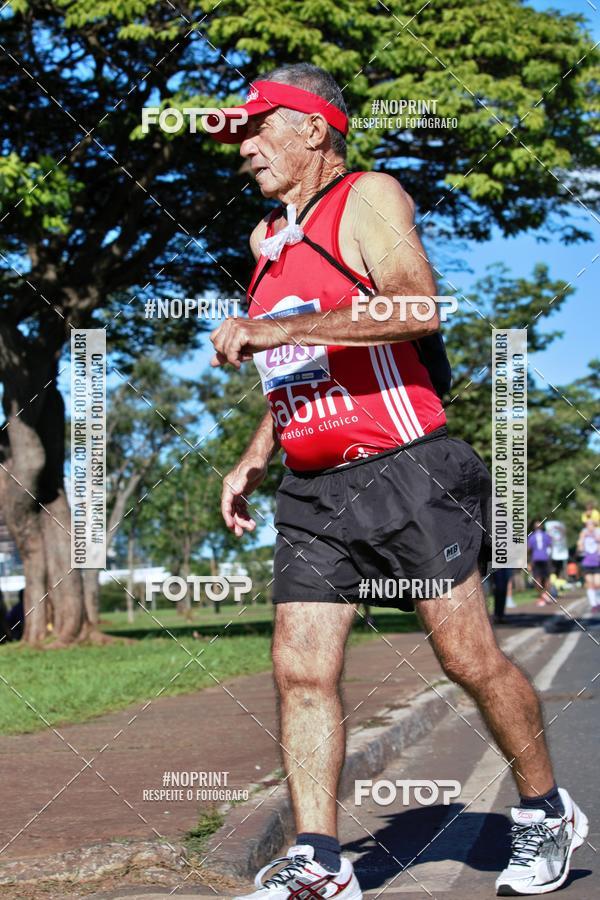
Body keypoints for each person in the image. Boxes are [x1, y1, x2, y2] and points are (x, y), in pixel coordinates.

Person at [208, 64, 588, 898]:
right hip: (312, 491)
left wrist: (273, 327)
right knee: (300, 669)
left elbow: (415, 308)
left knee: (467, 658)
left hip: (410, 470)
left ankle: (542, 808)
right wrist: (255, 454)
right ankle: (319, 856)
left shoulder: (369, 197)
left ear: (314, 129)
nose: (243, 148)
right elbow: (299, 364)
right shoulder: (265, 241)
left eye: (257, 128)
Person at [527, 521, 553, 607]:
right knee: (547, 578)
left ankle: (542, 597)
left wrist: (529, 562)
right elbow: (550, 545)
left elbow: (528, 549)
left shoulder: (531, 537)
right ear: (541, 527)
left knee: (537, 578)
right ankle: (546, 595)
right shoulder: (546, 536)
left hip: (536, 559)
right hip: (545, 558)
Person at [577, 519, 600, 611]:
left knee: (598, 584)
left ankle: (598, 602)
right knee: (590, 584)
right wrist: (582, 539)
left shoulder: (598, 533)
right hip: (587, 562)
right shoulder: (583, 535)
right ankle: (593, 604)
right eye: (588, 525)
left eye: (591, 525)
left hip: (597, 562)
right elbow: (580, 548)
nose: (590, 526)